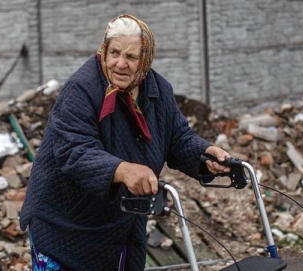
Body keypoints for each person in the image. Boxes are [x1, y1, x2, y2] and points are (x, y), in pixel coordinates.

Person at [19, 14, 230, 271]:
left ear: (145, 58)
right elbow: (74, 151)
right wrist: (123, 170)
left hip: (118, 222)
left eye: (131, 57)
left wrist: (206, 154)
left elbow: (178, 138)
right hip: (65, 222)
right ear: (104, 51)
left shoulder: (158, 90)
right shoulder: (82, 89)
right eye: (115, 53)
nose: (120, 63)